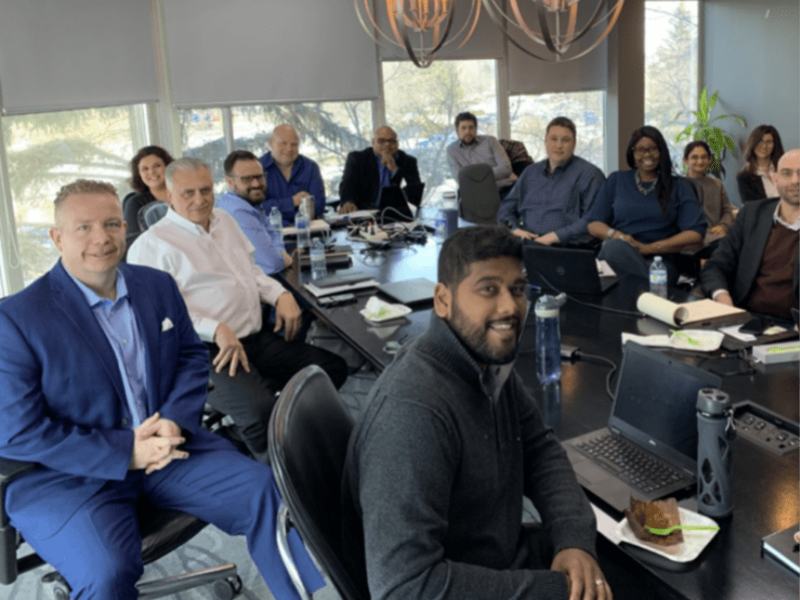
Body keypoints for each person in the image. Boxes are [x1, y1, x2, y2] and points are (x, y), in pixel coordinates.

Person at [0, 180, 324, 600]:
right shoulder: (16, 318)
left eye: (112, 223)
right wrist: (124, 451)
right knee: (106, 573)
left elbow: (190, 356)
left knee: (267, 492)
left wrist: (173, 420)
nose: (101, 238)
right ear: (57, 237)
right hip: (71, 475)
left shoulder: (156, 285)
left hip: (169, 451)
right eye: (83, 228)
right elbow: (17, 431)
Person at [342, 225, 612, 600]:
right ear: (442, 300)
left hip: (500, 559)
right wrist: (556, 590)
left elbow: (540, 449)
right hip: (460, 584)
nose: (509, 306)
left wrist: (573, 538)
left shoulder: (484, 362)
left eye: (518, 290)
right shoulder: (413, 413)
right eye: (488, 289)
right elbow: (404, 588)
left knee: (630, 561)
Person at [128, 158, 347, 463]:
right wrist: (214, 328)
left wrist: (280, 294)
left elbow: (252, 271)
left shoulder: (224, 221)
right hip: (203, 351)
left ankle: (275, 427)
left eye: (205, 190)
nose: (200, 199)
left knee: (329, 370)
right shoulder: (151, 246)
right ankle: (284, 476)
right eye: (188, 192)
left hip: (252, 338)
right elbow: (156, 319)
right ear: (168, 194)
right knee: (259, 413)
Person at [586, 126, 706, 286]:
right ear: (632, 153)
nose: (647, 155)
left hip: (660, 262)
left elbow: (695, 233)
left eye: (653, 149)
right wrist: (618, 237)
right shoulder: (616, 180)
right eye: (640, 150)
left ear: (662, 152)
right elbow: (593, 223)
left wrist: (648, 248)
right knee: (614, 249)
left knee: (612, 268)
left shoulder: (679, 186)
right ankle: (648, 298)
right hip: (618, 253)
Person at [701, 149, 800, 321]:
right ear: (775, 179)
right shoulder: (752, 213)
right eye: (787, 173)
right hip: (744, 319)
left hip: (792, 329)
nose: (795, 181)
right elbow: (716, 266)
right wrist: (722, 297)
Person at [498, 116, 605, 245]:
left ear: (574, 143)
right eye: (553, 139)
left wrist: (556, 236)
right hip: (526, 244)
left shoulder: (590, 175)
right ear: (545, 141)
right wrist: (515, 230)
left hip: (567, 247)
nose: (558, 145)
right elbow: (505, 209)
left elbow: (594, 219)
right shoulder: (530, 173)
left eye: (565, 140)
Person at [218, 149, 292, 276]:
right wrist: (281, 255)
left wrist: (278, 252)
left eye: (259, 176)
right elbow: (275, 263)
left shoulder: (243, 202)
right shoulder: (239, 211)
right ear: (230, 181)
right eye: (247, 179)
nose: (256, 184)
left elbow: (273, 235)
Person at [338, 125, 421, 213]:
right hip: (363, 211)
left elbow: (415, 196)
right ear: (373, 143)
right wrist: (348, 202)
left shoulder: (408, 161)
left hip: (394, 213)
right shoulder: (357, 158)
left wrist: (394, 169)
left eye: (391, 141)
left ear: (397, 144)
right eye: (381, 141)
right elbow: (347, 184)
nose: (387, 144)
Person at [259, 124, 326, 225]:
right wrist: (293, 202)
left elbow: (319, 206)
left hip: (306, 232)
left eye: (294, 144)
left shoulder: (310, 167)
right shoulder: (257, 169)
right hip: (268, 235)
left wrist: (277, 208)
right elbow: (257, 209)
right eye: (283, 143)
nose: (289, 148)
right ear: (271, 144)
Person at [447, 111, 516, 196]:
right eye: (463, 128)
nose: (468, 131)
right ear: (457, 130)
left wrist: (473, 178)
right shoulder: (452, 150)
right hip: (476, 194)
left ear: (476, 129)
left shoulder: (490, 141)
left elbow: (506, 168)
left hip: (504, 190)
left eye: (471, 127)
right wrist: (492, 176)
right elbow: (461, 180)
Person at [682, 140, 735, 249]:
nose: (700, 161)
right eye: (694, 157)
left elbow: (727, 210)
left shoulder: (717, 184)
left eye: (704, 157)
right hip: (687, 238)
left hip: (715, 236)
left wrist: (724, 225)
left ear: (710, 159)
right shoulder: (678, 185)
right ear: (685, 161)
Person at [122, 145, 175, 236]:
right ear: (139, 174)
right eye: (145, 169)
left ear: (168, 167)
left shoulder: (186, 194)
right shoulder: (135, 203)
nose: (151, 172)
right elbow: (132, 241)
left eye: (157, 166)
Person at [736, 124, 785, 202]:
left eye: (769, 142)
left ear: (775, 145)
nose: (764, 146)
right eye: (760, 141)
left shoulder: (785, 170)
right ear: (753, 143)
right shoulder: (745, 177)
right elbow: (751, 208)